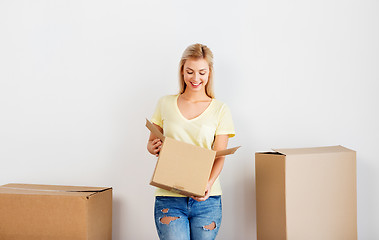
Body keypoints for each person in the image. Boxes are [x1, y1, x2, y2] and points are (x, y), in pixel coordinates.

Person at [147, 43, 235, 240]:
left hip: (207, 200)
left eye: (202, 72)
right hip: (170, 197)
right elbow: (152, 141)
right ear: (182, 71)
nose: (196, 78)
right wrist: (151, 146)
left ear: (209, 73)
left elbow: (219, 156)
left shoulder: (220, 110)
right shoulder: (165, 103)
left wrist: (208, 184)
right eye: (190, 72)